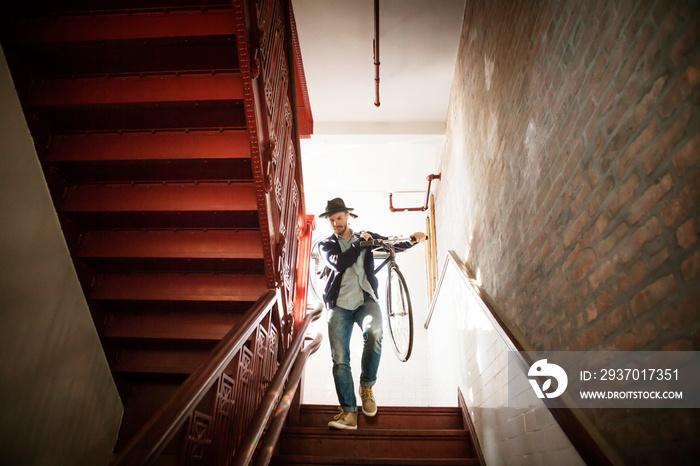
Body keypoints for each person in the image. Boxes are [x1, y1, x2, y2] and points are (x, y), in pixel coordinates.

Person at [317, 198, 426, 430]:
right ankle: (349, 413)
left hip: (365, 300)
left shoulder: (365, 236)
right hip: (339, 306)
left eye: (339, 218)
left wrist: (412, 240)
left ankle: (366, 386)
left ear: (347, 216)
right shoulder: (326, 244)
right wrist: (360, 246)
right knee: (339, 359)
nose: (336, 223)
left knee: (375, 334)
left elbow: (389, 245)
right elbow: (338, 262)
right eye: (331, 220)